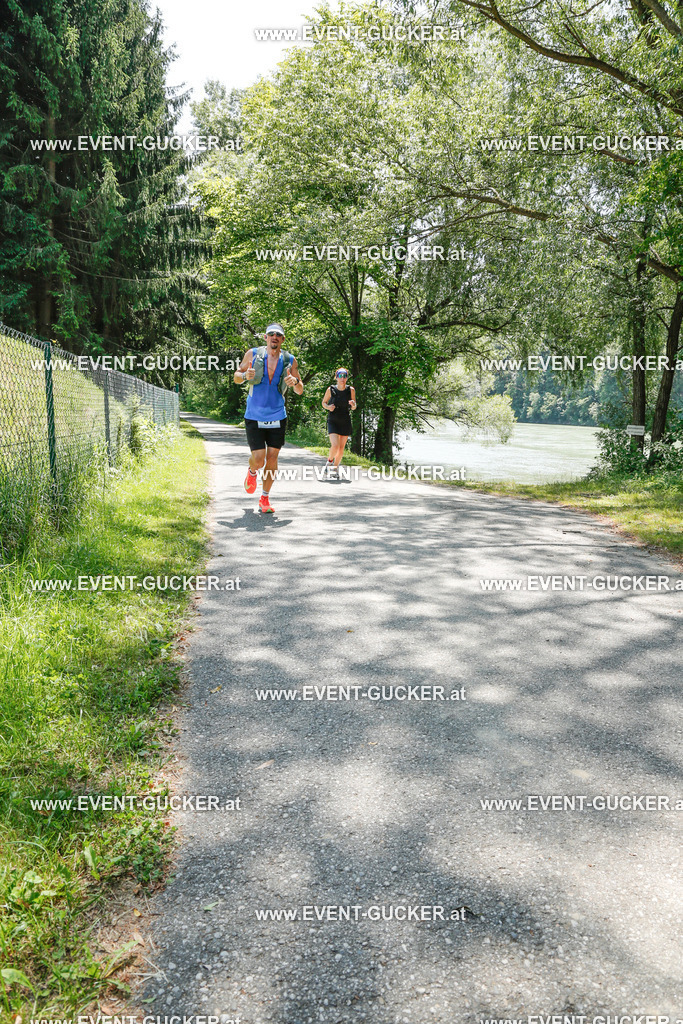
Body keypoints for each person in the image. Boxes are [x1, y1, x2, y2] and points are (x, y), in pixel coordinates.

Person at [234, 323, 304, 513]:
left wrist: (295, 382)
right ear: (265, 337)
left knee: (272, 458)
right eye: (271, 334)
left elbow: (299, 390)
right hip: (254, 415)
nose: (274, 337)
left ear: (282, 339)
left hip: (277, 416)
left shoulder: (290, 360)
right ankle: (252, 472)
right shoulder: (253, 354)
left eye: (278, 335)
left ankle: (264, 498)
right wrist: (244, 375)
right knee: (259, 459)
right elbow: (236, 376)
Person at [322, 368, 356, 477]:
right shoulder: (331, 389)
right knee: (335, 446)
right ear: (336, 377)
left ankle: (335, 469)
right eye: (340, 376)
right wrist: (328, 407)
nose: (342, 378)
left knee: (341, 449)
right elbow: (323, 403)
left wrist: (353, 404)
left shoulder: (351, 390)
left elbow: (354, 406)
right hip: (333, 419)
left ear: (347, 378)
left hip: (345, 419)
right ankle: (330, 461)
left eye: (344, 376)